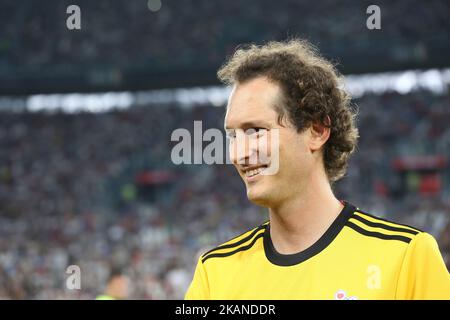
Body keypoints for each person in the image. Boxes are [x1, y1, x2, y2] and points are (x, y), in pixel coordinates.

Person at [184, 39, 450, 299]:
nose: (239, 153)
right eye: (233, 136)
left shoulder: (406, 259)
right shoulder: (216, 275)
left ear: (317, 130)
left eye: (255, 131)